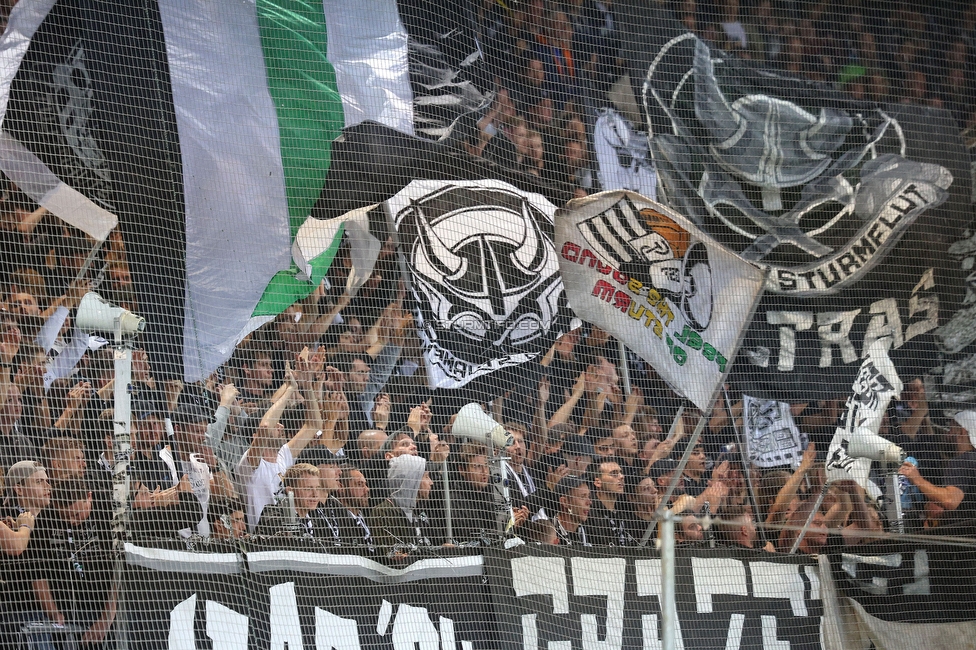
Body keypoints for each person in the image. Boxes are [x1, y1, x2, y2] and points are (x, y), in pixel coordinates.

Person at [236, 356, 321, 532]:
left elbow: (314, 425)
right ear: (255, 435)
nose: (281, 427)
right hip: (264, 540)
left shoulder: (283, 455)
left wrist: (306, 385)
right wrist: (290, 389)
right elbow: (266, 426)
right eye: (277, 424)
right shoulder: (250, 463)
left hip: (291, 535)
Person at [29, 478, 116, 648]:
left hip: (105, 602)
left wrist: (106, 618)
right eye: (65, 515)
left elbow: (120, 571)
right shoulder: (45, 520)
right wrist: (53, 612)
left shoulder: (107, 512)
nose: (71, 521)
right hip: (65, 605)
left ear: (89, 497)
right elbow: (37, 572)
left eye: (76, 514)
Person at [369, 454, 437, 552]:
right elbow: (392, 555)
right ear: (412, 480)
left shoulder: (414, 512)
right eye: (426, 476)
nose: (431, 482)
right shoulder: (382, 512)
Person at [255, 464, 326, 538]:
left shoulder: (317, 521)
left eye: (317, 488)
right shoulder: (273, 516)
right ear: (290, 491)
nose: (315, 495)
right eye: (308, 489)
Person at [587, 460, 632, 545]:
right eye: (614, 473)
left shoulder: (623, 515)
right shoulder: (589, 514)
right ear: (597, 482)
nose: (622, 476)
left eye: (621, 472)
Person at [336, 467, 374, 551]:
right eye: (360, 484)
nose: (367, 489)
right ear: (341, 487)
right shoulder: (338, 522)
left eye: (365, 484)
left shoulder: (368, 517)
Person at [552, 476, 592, 546]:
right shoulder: (548, 532)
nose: (589, 502)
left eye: (588, 496)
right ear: (565, 502)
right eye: (582, 497)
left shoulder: (592, 530)